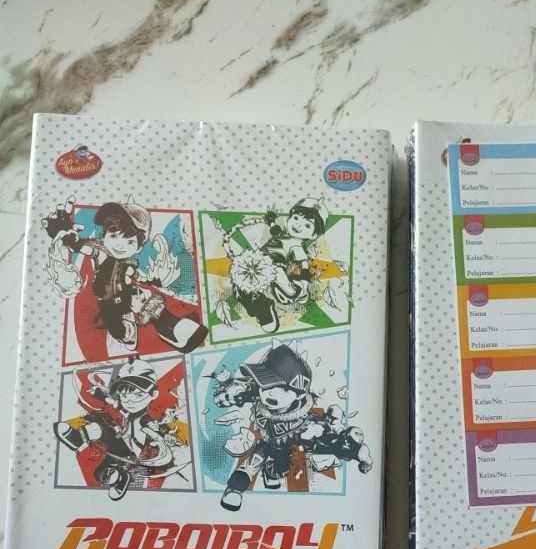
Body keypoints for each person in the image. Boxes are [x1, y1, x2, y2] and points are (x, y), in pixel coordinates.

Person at [214, 343, 371, 511]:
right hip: (265, 444)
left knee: (280, 466)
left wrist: (357, 453)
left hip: (287, 447)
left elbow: (329, 440)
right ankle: (235, 489)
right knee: (251, 464)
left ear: (299, 394)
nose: (269, 392)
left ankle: (271, 472)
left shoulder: (304, 421)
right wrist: (225, 395)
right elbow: (239, 392)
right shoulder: (260, 399)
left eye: (281, 388)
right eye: (265, 384)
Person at [42, 196, 207, 353]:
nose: (119, 245)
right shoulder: (102, 254)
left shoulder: (129, 264)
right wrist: (68, 238)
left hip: (128, 295)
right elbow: (85, 248)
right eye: (113, 235)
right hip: (110, 305)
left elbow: (135, 278)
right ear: (104, 236)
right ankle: (128, 332)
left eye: (130, 241)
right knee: (124, 334)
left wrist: (150, 281)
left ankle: (177, 329)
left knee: (149, 301)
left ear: (139, 247)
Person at [54, 356, 178, 500]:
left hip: (130, 452)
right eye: (124, 395)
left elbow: (154, 431)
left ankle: (119, 479)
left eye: (138, 395)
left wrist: (163, 438)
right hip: (117, 444)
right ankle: (76, 439)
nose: (130, 401)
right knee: (99, 471)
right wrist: (99, 394)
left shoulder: (148, 420)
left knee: (105, 459)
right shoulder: (125, 409)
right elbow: (114, 403)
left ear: (153, 394)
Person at [225, 198, 329, 333]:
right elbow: (275, 231)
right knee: (239, 285)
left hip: (275, 268)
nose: (299, 225)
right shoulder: (282, 235)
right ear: (290, 218)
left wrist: (303, 281)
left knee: (290, 293)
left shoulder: (296, 246)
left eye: (307, 225)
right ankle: (261, 307)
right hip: (256, 263)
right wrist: (271, 220)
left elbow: (303, 264)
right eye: (296, 218)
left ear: (313, 235)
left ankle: (299, 293)